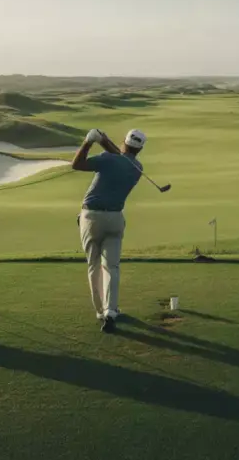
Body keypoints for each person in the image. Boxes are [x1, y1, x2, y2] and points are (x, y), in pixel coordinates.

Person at [71, 127, 146, 333]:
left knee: (94, 265)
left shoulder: (108, 158)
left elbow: (76, 165)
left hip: (91, 217)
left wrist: (89, 141)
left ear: (124, 141)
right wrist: (104, 142)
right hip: (115, 218)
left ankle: (100, 311)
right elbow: (122, 157)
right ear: (140, 149)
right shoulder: (137, 168)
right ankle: (111, 311)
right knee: (111, 267)